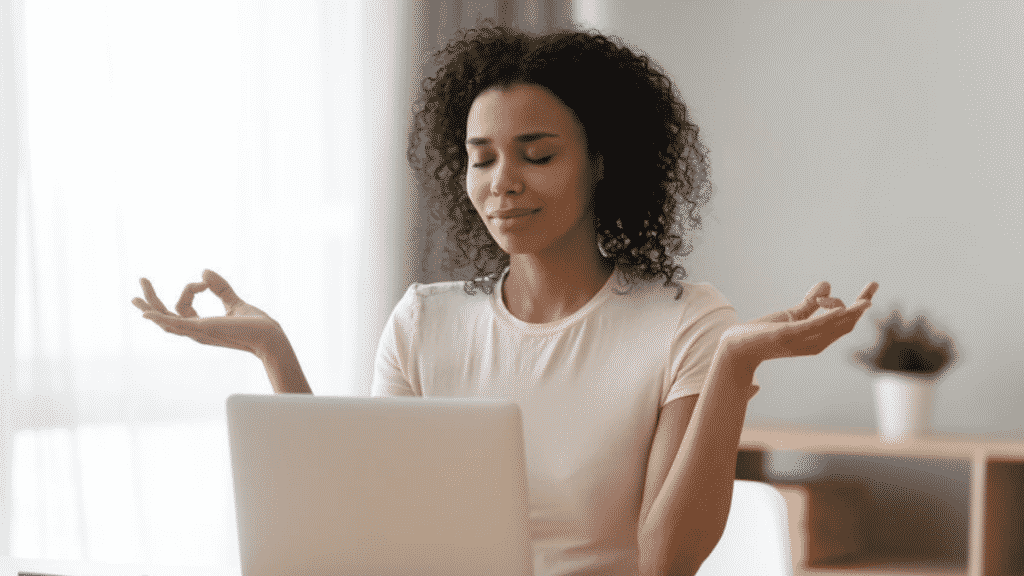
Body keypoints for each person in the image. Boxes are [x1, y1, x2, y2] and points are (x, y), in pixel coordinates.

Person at [133, 21, 878, 576]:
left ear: (602, 164)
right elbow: (363, 525)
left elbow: (665, 561)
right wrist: (275, 351)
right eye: (480, 158)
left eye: (538, 154)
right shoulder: (426, 320)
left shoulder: (687, 323)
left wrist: (734, 365)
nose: (502, 182)